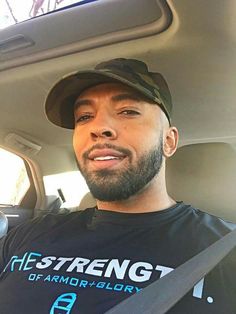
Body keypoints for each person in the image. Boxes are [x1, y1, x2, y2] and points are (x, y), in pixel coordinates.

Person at [0, 58, 235, 314]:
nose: (99, 128)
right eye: (84, 116)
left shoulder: (224, 252)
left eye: (128, 111)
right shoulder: (29, 234)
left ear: (168, 141)